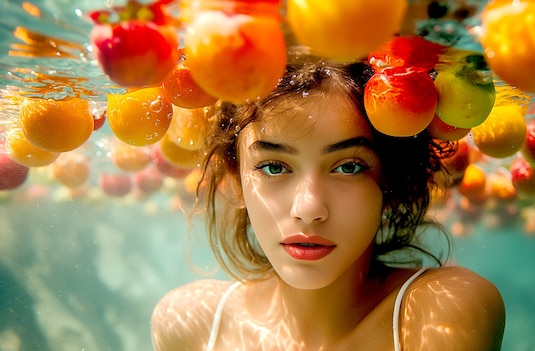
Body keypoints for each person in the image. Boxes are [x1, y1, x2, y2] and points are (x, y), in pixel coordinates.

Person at [150, 49, 505, 351]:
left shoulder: (442, 311)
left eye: (348, 167)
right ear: (233, 180)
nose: (308, 209)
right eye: (274, 167)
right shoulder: (190, 324)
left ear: (392, 181)